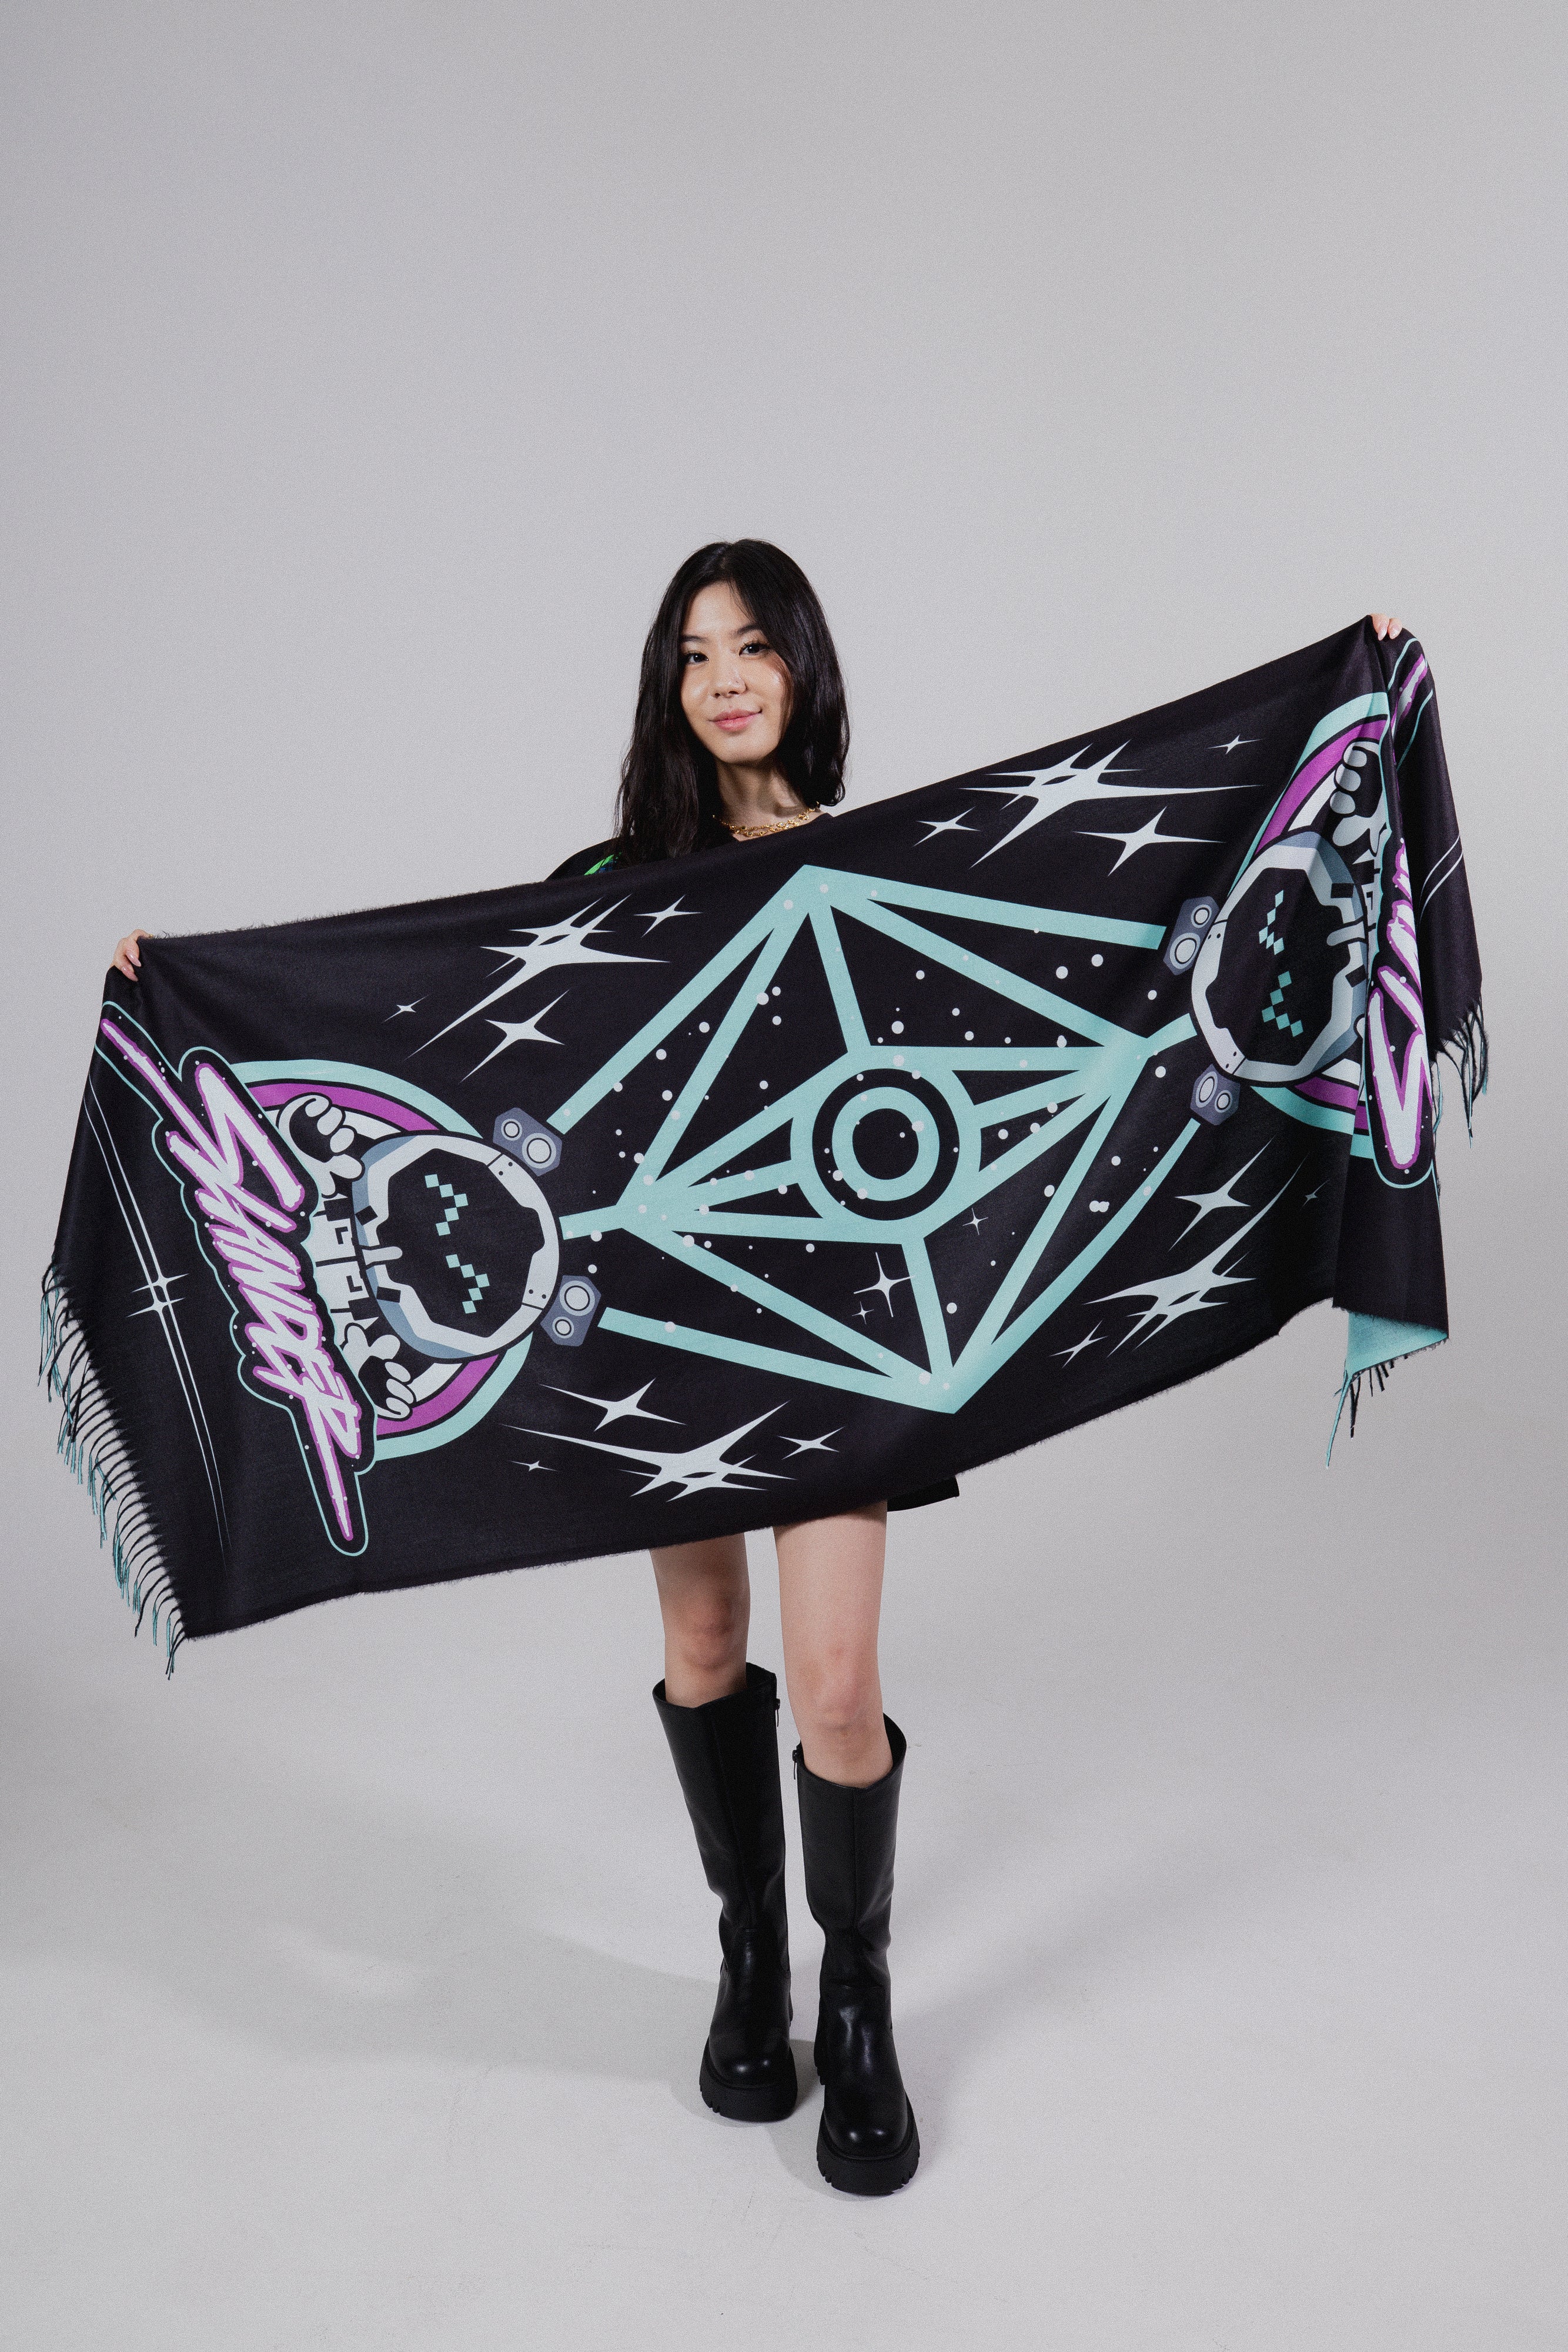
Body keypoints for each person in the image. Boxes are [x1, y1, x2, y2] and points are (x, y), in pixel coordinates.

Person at [110, 556, 1404, 2199]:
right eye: (694, 655)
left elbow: (1068, 984)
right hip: (668, 1338)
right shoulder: (608, 887)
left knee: (840, 1682)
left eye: (753, 648)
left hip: (842, 1347)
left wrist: (1345, 701)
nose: (725, 679)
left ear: (802, 668)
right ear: (669, 688)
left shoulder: (884, 858)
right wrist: (191, 993)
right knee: (706, 1642)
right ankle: (749, 1957)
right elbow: (428, 1019)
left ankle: (856, 1999)